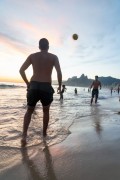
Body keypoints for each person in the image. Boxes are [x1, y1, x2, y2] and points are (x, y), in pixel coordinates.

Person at [19, 38, 62, 146]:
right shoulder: (53, 57)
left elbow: (21, 70)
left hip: (33, 86)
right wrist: (60, 86)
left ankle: (24, 136)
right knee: (46, 111)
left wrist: (28, 83)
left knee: (29, 111)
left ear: (39, 46)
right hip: (46, 86)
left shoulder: (32, 56)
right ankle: (44, 134)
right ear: (48, 46)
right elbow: (59, 73)